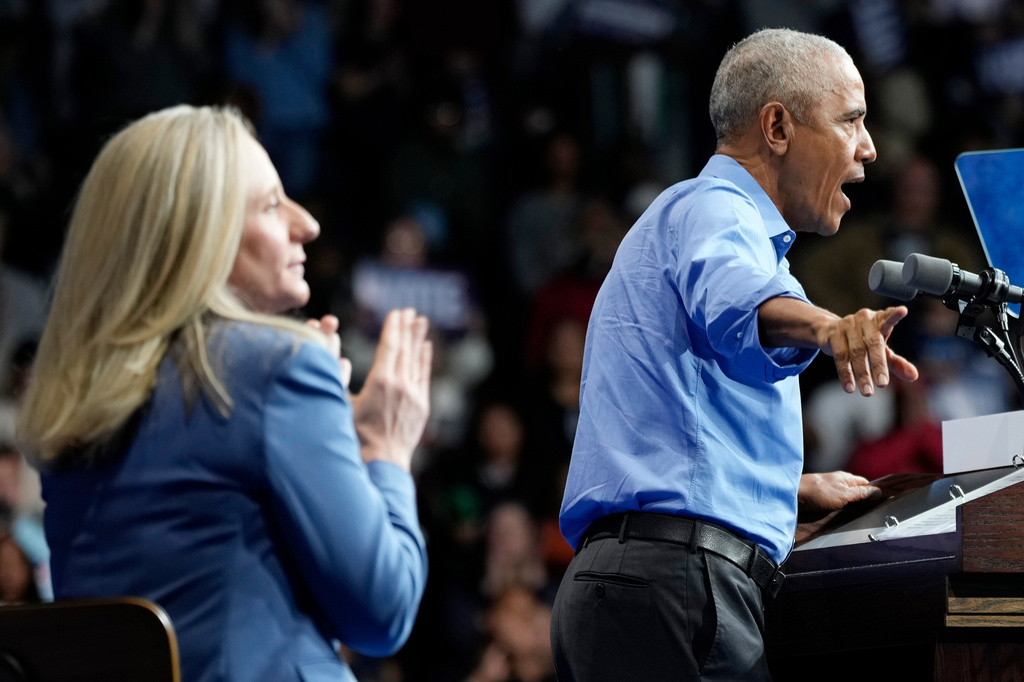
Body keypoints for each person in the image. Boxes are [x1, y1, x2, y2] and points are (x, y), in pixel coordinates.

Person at [551, 28, 919, 681]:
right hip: (675, 586)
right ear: (777, 126)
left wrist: (781, 495)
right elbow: (736, 303)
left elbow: (680, 441)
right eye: (851, 120)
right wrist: (830, 328)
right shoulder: (714, 208)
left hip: (642, 586)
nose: (869, 148)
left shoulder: (709, 227)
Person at [16, 105, 432, 682]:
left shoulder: (75, 399)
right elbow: (383, 615)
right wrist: (384, 447)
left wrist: (319, 432)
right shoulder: (277, 369)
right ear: (193, 234)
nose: (306, 223)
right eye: (269, 204)